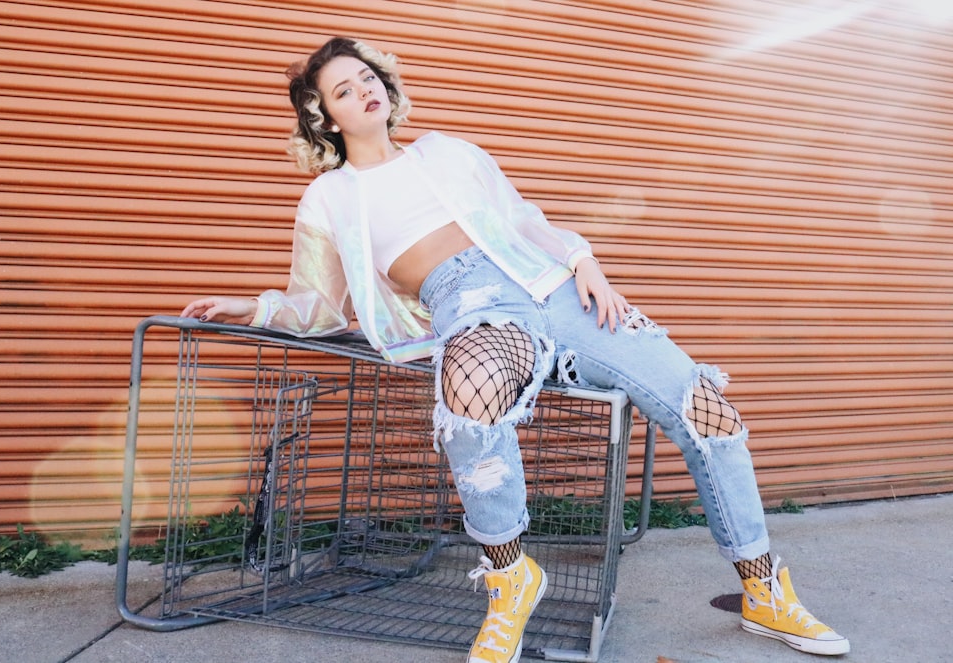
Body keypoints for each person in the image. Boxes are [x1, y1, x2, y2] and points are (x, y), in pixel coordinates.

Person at [180, 36, 850, 662]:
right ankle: (511, 577)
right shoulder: (327, 198)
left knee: (709, 413)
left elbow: (524, 216)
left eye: (368, 78)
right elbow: (318, 302)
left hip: (558, 288)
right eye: (345, 91)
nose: (365, 93)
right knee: (467, 401)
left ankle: (764, 589)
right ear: (324, 117)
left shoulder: (448, 151)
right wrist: (256, 305)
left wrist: (584, 258)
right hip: (472, 304)